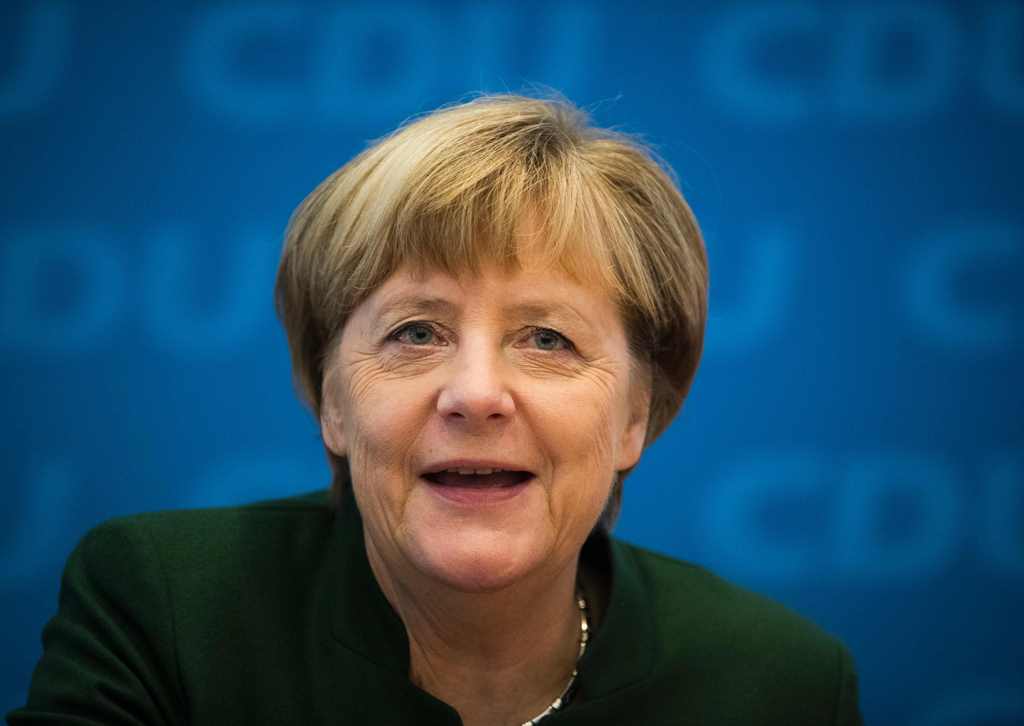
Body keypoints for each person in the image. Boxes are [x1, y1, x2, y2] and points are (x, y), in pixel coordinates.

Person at [9, 94, 862, 725]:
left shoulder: (779, 684)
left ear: (636, 414)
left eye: (548, 339)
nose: (476, 394)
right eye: (416, 333)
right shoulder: (162, 611)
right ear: (331, 400)